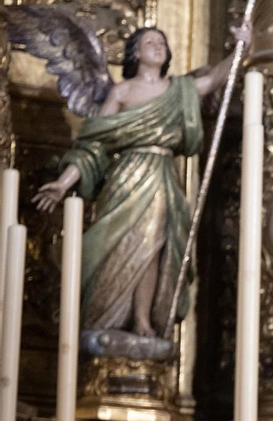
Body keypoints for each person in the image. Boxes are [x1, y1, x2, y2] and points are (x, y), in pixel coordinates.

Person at [34, 22, 250, 344]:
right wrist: (64, 184)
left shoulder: (179, 89)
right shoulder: (122, 92)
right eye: (150, 41)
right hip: (125, 178)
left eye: (162, 42)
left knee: (153, 248)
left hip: (161, 175)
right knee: (119, 244)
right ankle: (104, 315)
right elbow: (94, 145)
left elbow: (217, 78)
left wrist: (243, 47)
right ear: (136, 52)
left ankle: (142, 319)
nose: (158, 46)